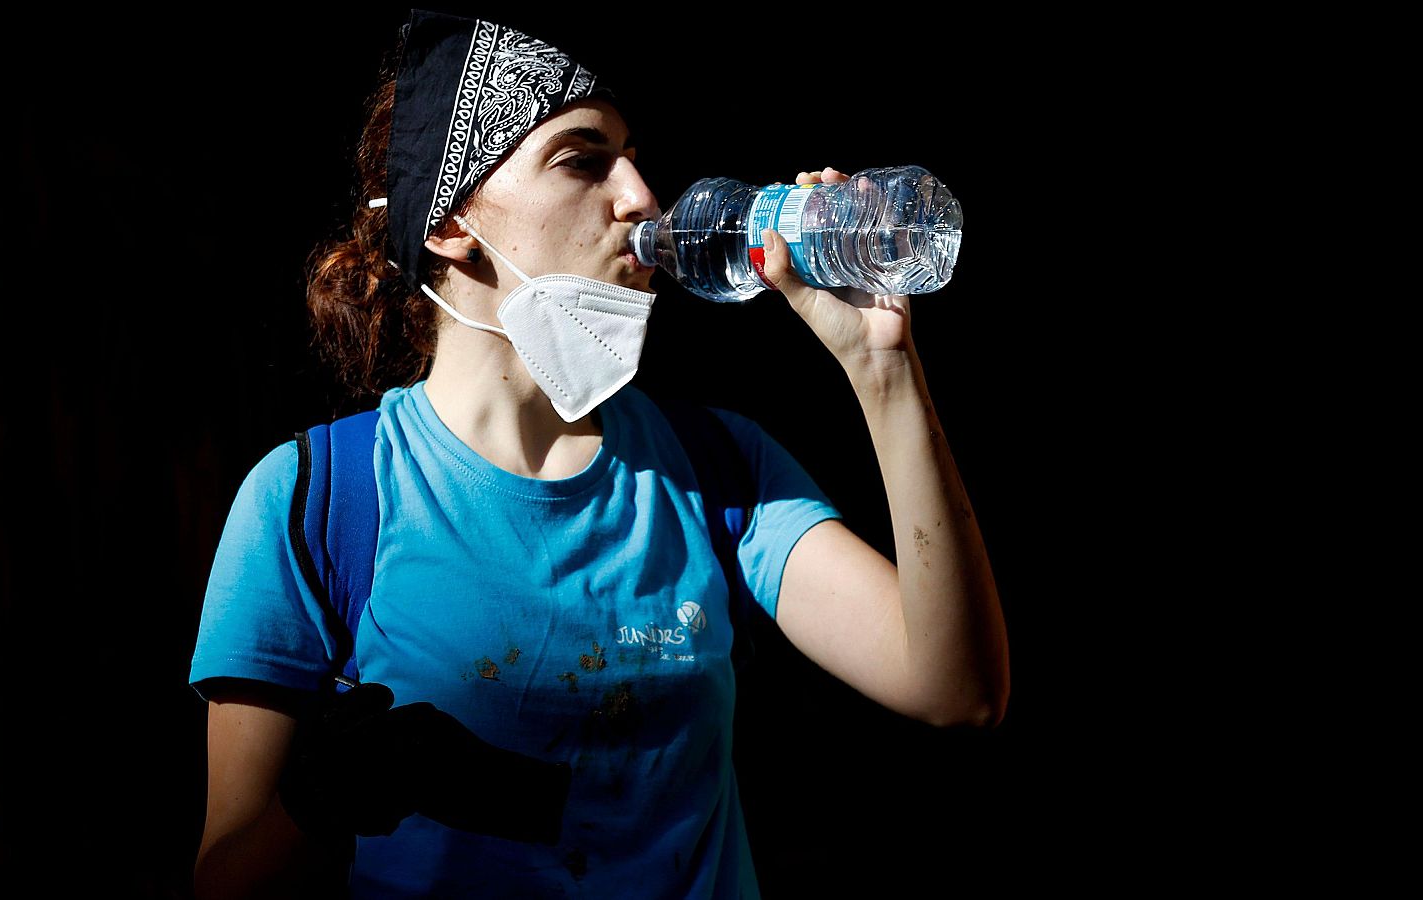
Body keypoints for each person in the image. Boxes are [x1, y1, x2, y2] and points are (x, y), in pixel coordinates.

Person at [188, 8, 1009, 899]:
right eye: (583, 160)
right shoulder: (318, 499)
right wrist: (322, 803)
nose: (643, 197)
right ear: (452, 223)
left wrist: (882, 370)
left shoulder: (714, 468)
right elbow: (224, 879)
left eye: (631, 155)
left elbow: (954, 688)